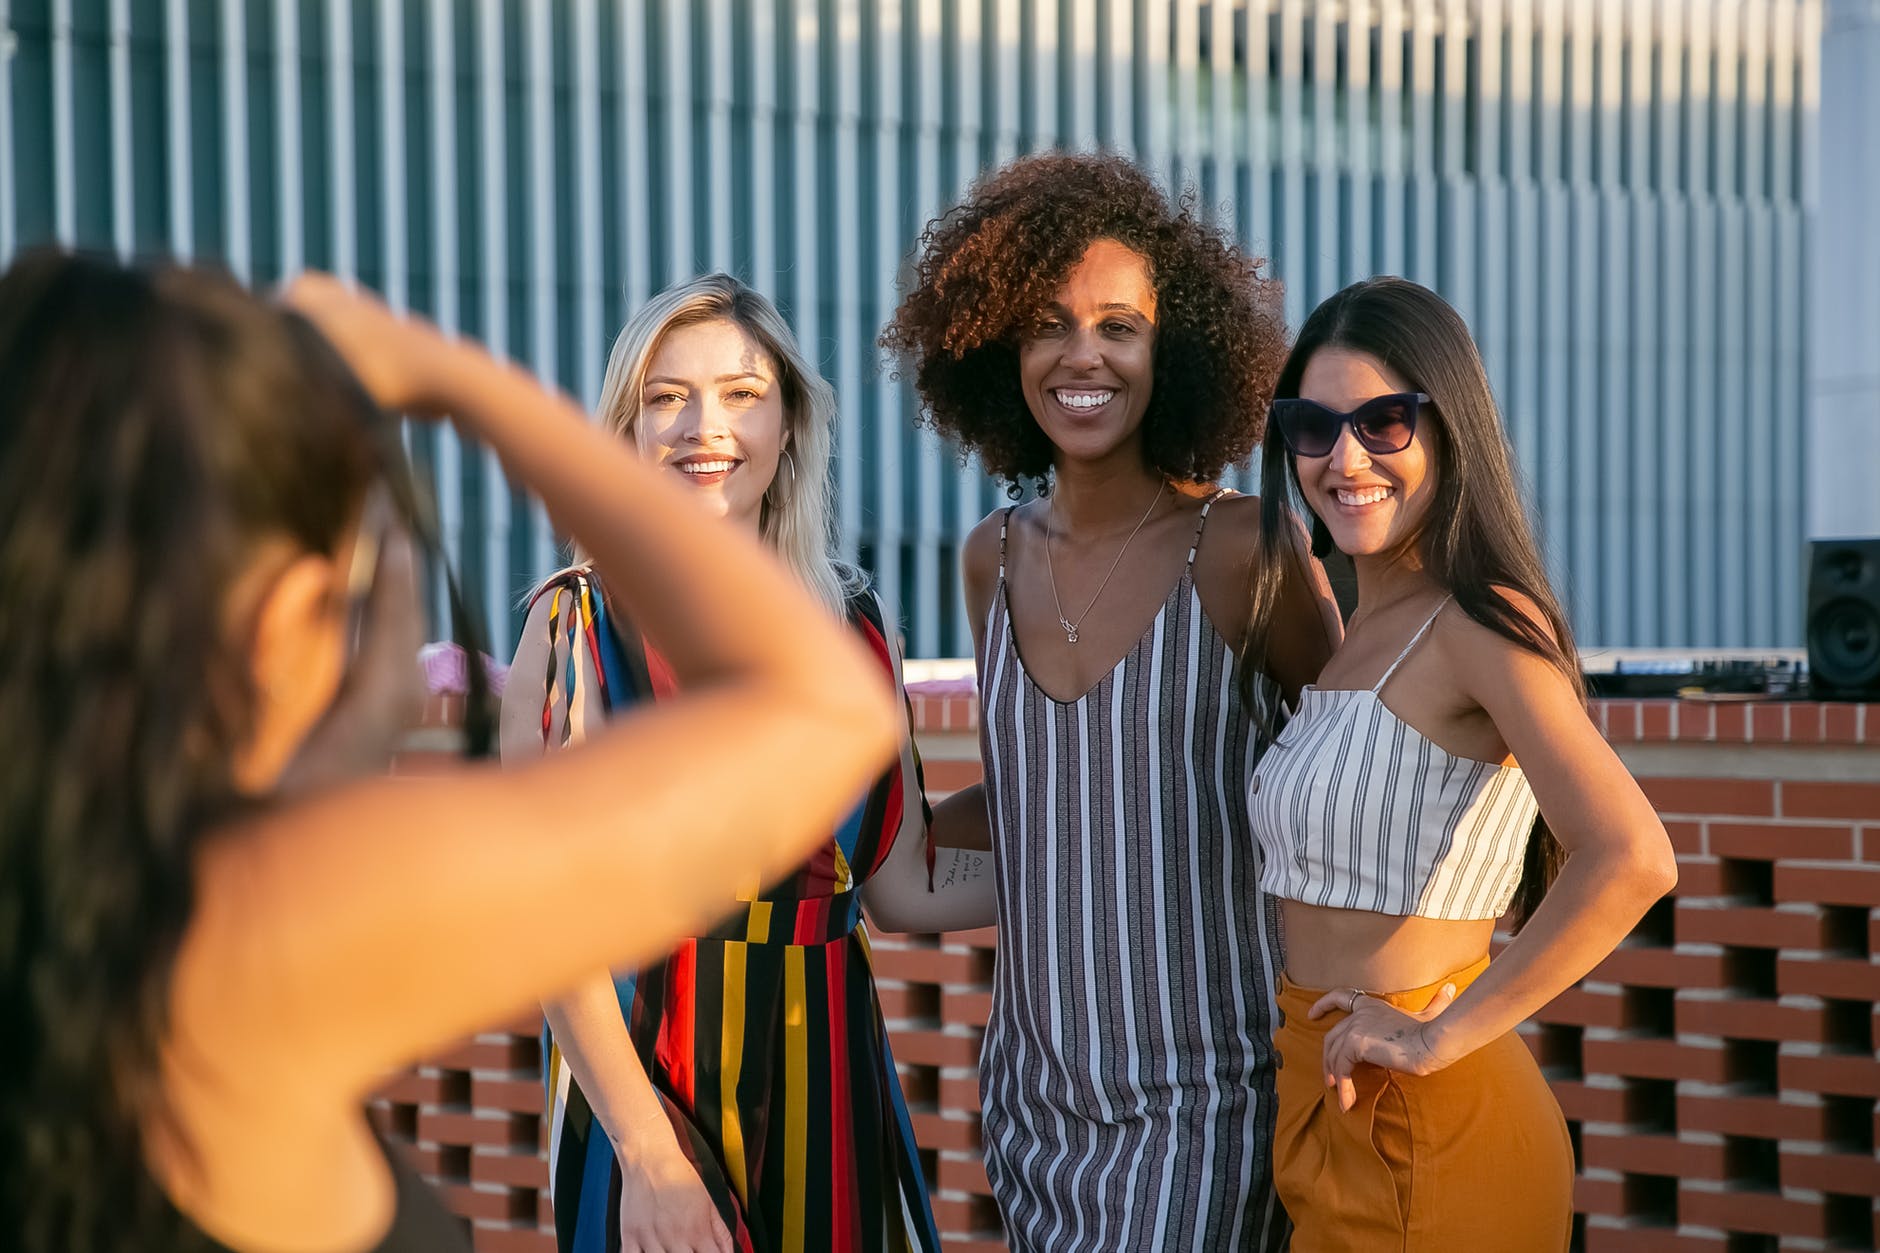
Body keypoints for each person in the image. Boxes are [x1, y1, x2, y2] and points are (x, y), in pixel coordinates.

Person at [0, 253, 901, 1253]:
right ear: (285, 617)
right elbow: (821, 712)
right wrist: (454, 381)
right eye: (381, 544)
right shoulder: (273, 919)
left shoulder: (101, 927)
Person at [882, 151, 1341, 1251]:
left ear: (1167, 350)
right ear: (999, 348)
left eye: (1117, 326)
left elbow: (1349, 778)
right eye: (1047, 324)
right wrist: (852, 830)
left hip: (1209, 1104)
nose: (1081, 354)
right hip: (1034, 1107)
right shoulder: (989, 556)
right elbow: (1048, 783)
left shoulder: (1244, 548)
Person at [503, 274, 993, 1253]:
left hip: (831, 1093)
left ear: (790, 423)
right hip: (650, 1100)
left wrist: (1095, 849)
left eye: (740, 392)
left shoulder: (855, 629)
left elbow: (906, 882)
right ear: (628, 430)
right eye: (666, 395)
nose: (702, 426)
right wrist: (647, 1155)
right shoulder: (576, 625)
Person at [1242, 277, 1678, 1251]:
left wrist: (1436, 1033)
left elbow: (1631, 854)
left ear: (1449, 428)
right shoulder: (1354, 629)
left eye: (1383, 421)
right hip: (1320, 1086)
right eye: (1310, 425)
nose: (1343, 457)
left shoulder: (1480, 620)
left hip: (1428, 1106)